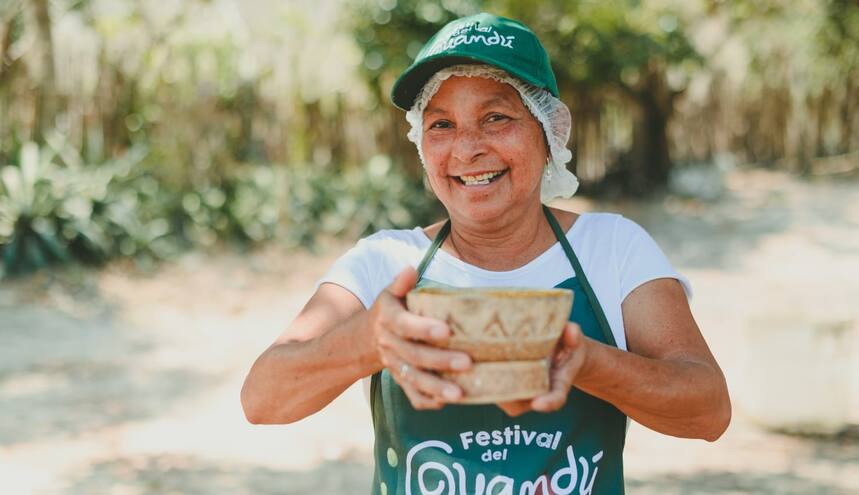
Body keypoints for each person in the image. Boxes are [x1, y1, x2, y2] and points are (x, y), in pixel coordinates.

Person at [241, 12, 730, 494]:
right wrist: (367, 342)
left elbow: (708, 411)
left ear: (548, 133)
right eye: (441, 124)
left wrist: (585, 363)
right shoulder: (384, 262)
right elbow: (262, 400)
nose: (467, 148)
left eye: (496, 118)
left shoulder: (612, 249)